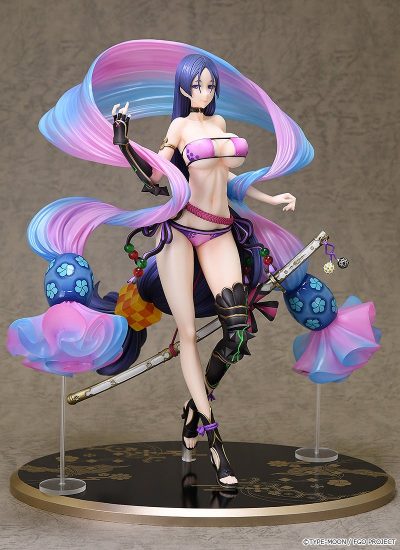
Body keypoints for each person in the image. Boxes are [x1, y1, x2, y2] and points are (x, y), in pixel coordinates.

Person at [33, 40, 315, 489]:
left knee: (238, 331)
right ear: (184, 89)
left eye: (210, 84)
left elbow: (226, 178)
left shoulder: (219, 123)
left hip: (220, 232)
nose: (205, 91)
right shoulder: (179, 128)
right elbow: (155, 177)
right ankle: (212, 436)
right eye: (197, 85)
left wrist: (269, 195)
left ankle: (192, 410)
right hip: (181, 234)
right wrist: (125, 144)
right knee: (187, 335)